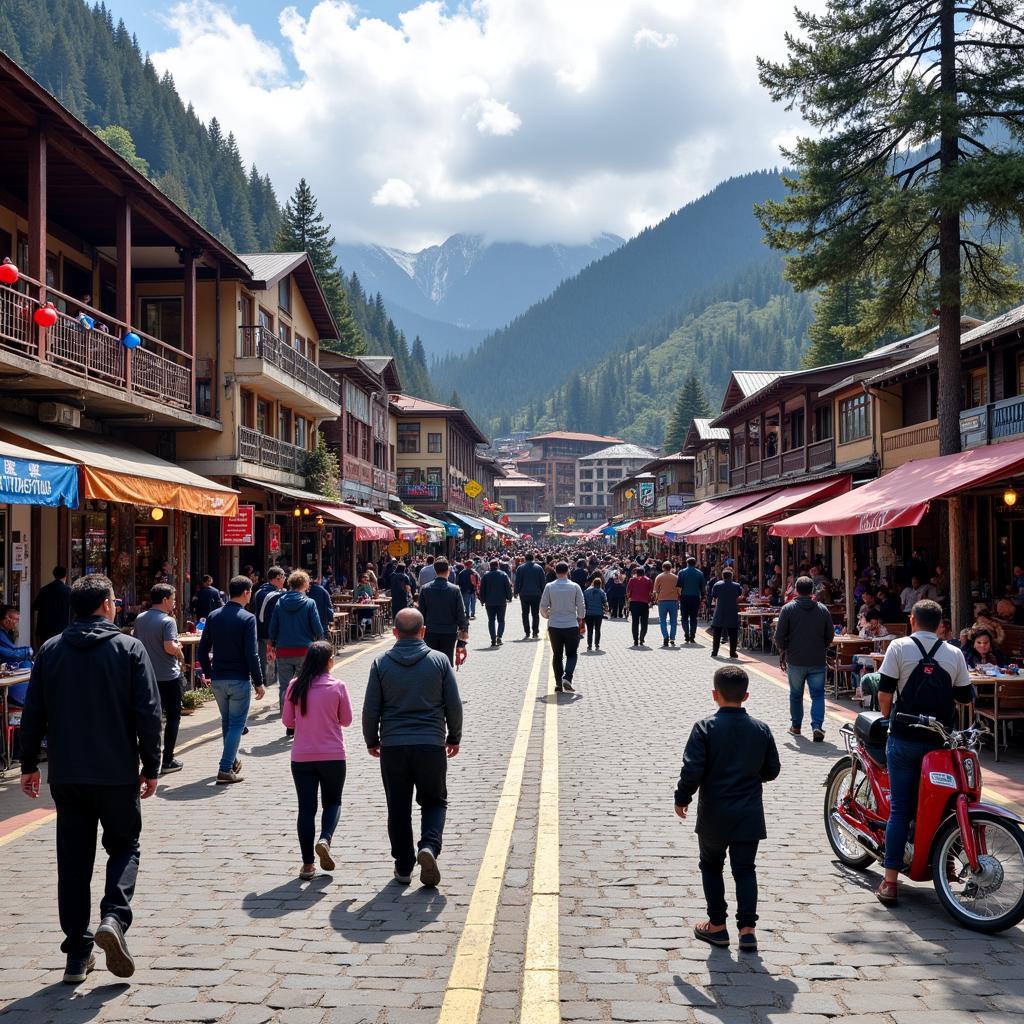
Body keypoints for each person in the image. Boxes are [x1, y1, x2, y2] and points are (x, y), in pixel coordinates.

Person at [18, 573, 161, 984]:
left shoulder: (51, 650)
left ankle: (77, 954)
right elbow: (149, 714)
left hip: (68, 773)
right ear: (106, 605)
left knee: (74, 861)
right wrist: (151, 766)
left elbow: (34, 712)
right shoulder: (128, 648)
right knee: (124, 846)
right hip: (116, 772)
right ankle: (114, 918)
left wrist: (29, 763)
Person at [674, 665, 780, 952]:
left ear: (714, 695)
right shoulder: (761, 729)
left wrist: (682, 797)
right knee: (745, 869)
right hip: (748, 814)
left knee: (711, 865)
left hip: (714, 814)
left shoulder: (704, 727)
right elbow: (772, 770)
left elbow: (692, 769)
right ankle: (747, 930)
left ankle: (717, 926)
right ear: (746, 695)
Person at [875, 599, 974, 905]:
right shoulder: (954, 653)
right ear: (940, 624)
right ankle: (943, 863)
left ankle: (890, 882)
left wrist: (887, 717)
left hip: (903, 738)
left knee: (901, 809)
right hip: (939, 743)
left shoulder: (899, 647)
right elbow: (965, 697)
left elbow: (885, 691)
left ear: (913, 620)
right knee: (943, 805)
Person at [363, 608, 463, 888]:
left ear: (394, 633)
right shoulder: (440, 661)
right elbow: (453, 704)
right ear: (423, 632)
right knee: (434, 800)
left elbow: (371, 708)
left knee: (398, 807)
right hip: (431, 743)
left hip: (393, 745)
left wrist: (372, 739)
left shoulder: (381, 662)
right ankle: (429, 846)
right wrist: (454, 737)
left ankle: (404, 866)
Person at [282, 640, 353, 880]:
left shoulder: (294, 686)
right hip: (333, 755)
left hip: (302, 756)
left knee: (306, 809)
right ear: (329, 661)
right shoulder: (338, 686)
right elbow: (346, 720)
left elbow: (288, 722)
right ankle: (325, 838)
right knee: (333, 802)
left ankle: (308, 865)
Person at [198, 576, 266, 784]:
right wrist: (259, 681)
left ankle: (232, 760)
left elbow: (202, 651)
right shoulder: (247, 618)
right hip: (238, 679)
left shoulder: (213, 615)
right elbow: (251, 654)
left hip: (218, 679)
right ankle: (225, 768)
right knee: (236, 724)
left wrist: (209, 674)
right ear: (246, 592)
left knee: (228, 723)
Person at [774, 575, 835, 742]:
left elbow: (779, 636)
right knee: (817, 695)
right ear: (812, 591)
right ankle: (817, 726)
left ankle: (796, 726)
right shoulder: (822, 609)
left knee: (796, 695)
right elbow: (830, 635)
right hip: (816, 659)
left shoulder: (788, 609)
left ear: (796, 590)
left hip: (795, 659)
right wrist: (822, 647)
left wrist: (783, 650)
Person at [133, 584, 185, 775]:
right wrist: (179, 648)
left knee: (150, 718)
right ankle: (168, 759)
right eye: (172, 598)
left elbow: (136, 641)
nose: (173, 602)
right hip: (168, 676)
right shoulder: (167, 620)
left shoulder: (140, 618)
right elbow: (169, 647)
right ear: (164, 600)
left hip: (146, 675)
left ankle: (146, 757)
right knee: (173, 717)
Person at [269, 570, 325, 734]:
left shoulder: (280, 603)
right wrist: (321, 640)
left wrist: (272, 643)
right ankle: (303, 719)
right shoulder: (309, 603)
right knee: (305, 685)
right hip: (304, 651)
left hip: (284, 650)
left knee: (285, 687)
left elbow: (273, 626)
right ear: (305, 584)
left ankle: (288, 723)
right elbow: (316, 626)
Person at [540, 561, 587, 693]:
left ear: (555, 571)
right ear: (568, 572)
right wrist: (580, 617)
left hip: (555, 625)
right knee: (572, 654)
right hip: (571, 624)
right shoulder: (575, 586)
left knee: (557, 655)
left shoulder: (549, 586)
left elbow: (543, 606)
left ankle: (558, 682)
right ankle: (568, 677)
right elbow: (581, 605)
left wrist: (548, 615)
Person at [418, 557, 470, 663]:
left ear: (435, 571)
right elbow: (461, 614)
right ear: (448, 571)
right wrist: (462, 641)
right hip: (449, 632)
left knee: (431, 662)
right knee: (446, 661)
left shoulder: (425, 589)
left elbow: (421, 614)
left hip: (430, 632)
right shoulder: (455, 590)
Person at [252, 566, 286, 685]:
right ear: (277, 578)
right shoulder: (274, 595)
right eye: (283, 577)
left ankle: (266, 683)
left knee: (264, 660)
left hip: (260, 632)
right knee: (270, 662)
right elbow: (274, 617)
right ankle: (269, 685)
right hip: (269, 634)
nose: (284, 580)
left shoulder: (259, 591)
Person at [32, 565, 71, 646]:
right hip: (62, 628)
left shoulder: (44, 589)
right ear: (65, 576)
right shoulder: (68, 591)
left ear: (54, 575)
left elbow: (35, 606)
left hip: (45, 628)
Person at [709, 569, 743, 659]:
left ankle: (714, 651)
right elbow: (739, 595)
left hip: (720, 610)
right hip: (732, 611)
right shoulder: (736, 585)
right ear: (731, 576)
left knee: (717, 633)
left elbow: (714, 595)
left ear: (722, 576)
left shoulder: (717, 585)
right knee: (733, 634)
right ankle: (732, 652)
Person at [479, 558, 513, 647]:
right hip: (501, 601)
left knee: (491, 620)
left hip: (489, 602)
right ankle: (499, 637)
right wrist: (509, 597)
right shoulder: (504, 575)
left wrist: (482, 600)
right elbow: (508, 587)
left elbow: (482, 589)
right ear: (498, 566)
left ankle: (493, 639)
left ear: (490, 566)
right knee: (501, 620)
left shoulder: (486, 576)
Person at [514, 552, 547, 639]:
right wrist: (544, 593)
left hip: (524, 594)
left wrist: (516, 592)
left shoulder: (520, 568)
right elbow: (543, 582)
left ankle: (527, 632)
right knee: (535, 614)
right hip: (536, 594)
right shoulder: (539, 568)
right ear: (533, 559)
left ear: (525, 559)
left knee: (525, 613)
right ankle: (535, 632)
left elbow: (517, 581)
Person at [678, 557, 706, 645]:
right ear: (695, 563)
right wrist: (703, 598)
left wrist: (679, 597)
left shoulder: (682, 572)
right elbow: (703, 588)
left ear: (687, 563)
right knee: (693, 618)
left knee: (684, 617)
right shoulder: (700, 573)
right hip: (695, 597)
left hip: (685, 597)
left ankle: (686, 634)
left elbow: (679, 586)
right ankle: (692, 636)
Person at [653, 561, 682, 648]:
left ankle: (665, 636)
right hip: (673, 601)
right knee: (673, 620)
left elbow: (655, 590)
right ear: (671, 567)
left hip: (662, 601)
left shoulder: (659, 577)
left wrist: (656, 599)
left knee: (663, 620)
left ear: (662, 568)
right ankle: (672, 638)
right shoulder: (676, 577)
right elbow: (679, 590)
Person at [626, 566, 654, 648]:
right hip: (644, 604)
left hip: (634, 603)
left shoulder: (632, 580)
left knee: (635, 622)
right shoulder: (648, 580)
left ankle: (635, 640)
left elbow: (628, 591)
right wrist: (650, 601)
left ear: (636, 573)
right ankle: (641, 638)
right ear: (644, 572)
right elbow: (651, 592)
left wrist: (629, 598)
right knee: (644, 622)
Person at [583, 576, 609, 651]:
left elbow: (584, 603)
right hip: (598, 613)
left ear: (593, 583)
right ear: (600, 584)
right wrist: (606, 611)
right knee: (598, 629)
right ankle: (597, 645)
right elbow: (605, 603)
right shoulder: (602, 592)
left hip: (589, 613)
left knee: (590, 630)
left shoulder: (586, 592)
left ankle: (589, 645)